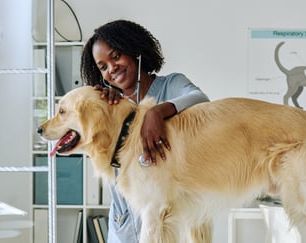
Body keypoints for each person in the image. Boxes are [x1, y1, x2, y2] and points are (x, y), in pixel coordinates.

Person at [80, 19, 209, 243]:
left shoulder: (171, 85)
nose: (112, 69)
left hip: (169, 221)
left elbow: (200, 99)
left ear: (134, 50)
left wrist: (156, 112)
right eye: (103, 67)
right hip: (123, 228)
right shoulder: (109, 106)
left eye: (116, 56)